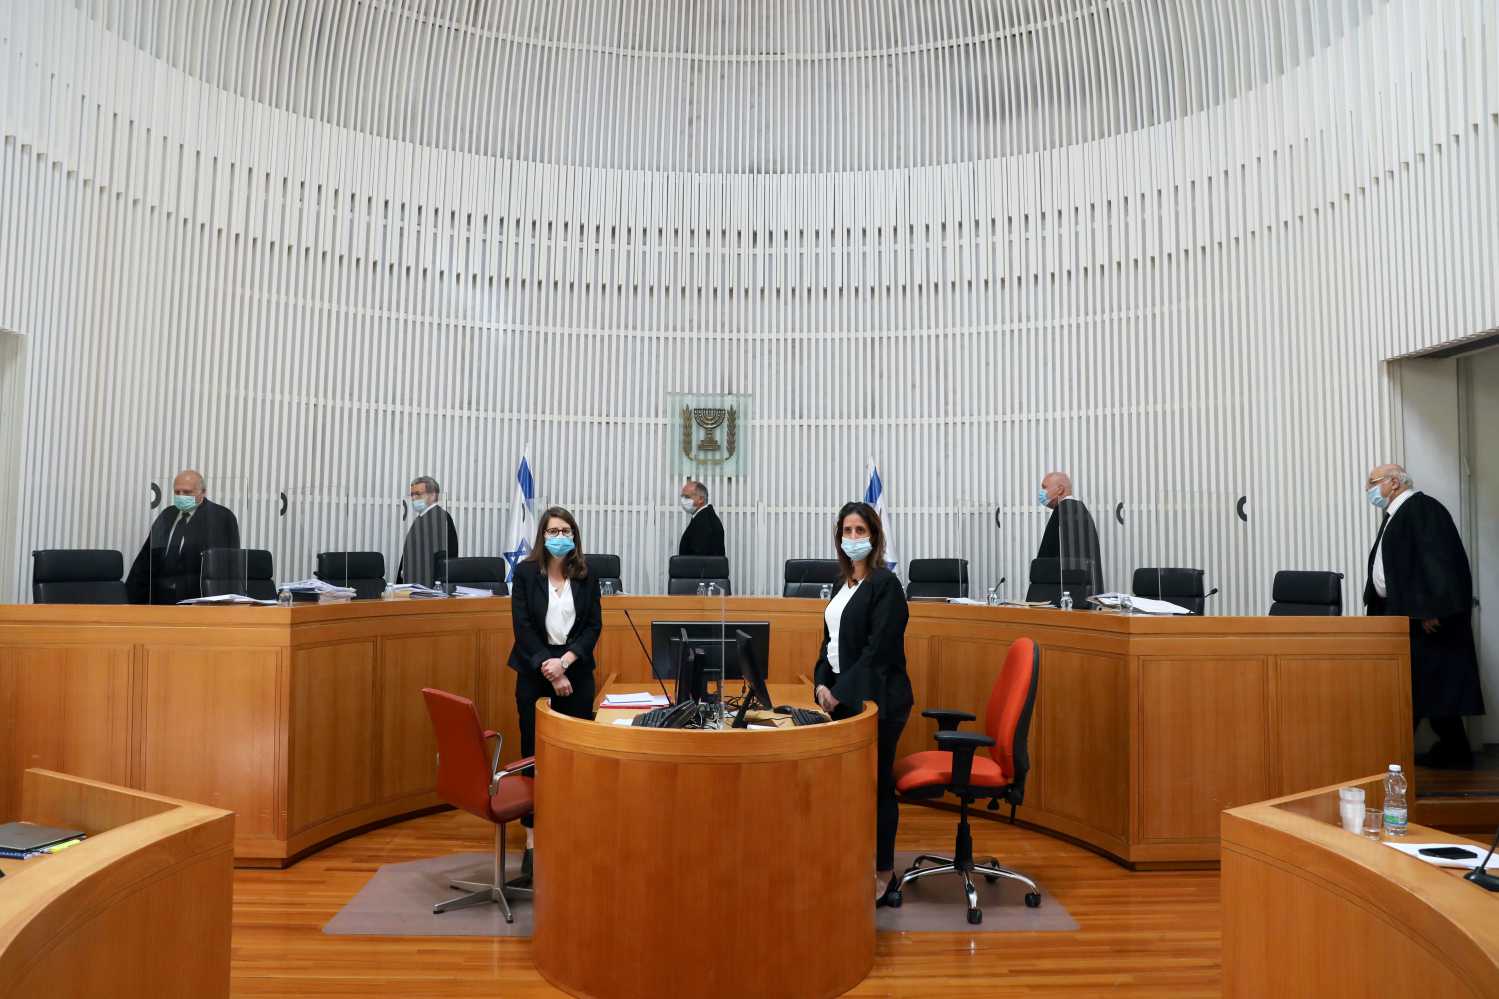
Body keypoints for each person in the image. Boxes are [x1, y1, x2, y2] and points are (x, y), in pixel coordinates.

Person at [811, 500, 913, 908]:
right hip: (846, 697)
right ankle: (857, 861)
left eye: (860, 530)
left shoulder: (885, 584)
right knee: (854, 787)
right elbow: (829, 643)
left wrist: (840, 692)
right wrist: (821, 682)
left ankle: (885, 874)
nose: (852, 537)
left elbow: (878, 651)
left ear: (873, 535)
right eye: (846, 530)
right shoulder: (843, 584)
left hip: (879, 700)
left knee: (876, 785)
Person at [1362, 464, 1483, 768]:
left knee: (1424, 687)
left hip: (1423, 619)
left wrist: (1430, 610)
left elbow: (1437, 562)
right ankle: (1451, 751)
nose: (1369, 490)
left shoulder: (1423, 509)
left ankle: (1397, 756)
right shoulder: (1399, 513)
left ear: (1393, 482)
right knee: (1424, 689)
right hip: (1404, 614)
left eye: (1372, 483)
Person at [507, 505, 602, 884]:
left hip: (576, 673)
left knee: (577, 758)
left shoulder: (585, 574)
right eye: (551, 530)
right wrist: (549, 666)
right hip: (534, 673)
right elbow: (523, 627)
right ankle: (533, 841)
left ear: (574, 535)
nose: (558, 536)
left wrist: (566, 661)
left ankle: (572, 833)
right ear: (542, 537)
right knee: (535, 757)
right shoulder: (527, 573)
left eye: (565, 530)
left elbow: (594, 625)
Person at [125, 469, 240, 604]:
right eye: (177, 492)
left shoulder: (220, 517)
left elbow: (226, 565)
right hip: (160, 601)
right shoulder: (167, 515)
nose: (181, 496)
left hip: (197, 601)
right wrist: (130, 599)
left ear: (203, 492)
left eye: (187, 492)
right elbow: (146, 559)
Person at [1034, 471, 1104, 601]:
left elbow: (1046, 558)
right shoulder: (1081, 511)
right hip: (1086, 597)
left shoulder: (1062, 513)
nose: (1042, 492)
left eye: (1045, 487)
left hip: (1064, 599)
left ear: (1060, 489)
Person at [395, 476, 459, 588]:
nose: (414, 498)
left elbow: (443, 557)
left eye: (418, 494)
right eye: (412, 495)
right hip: (415, 587)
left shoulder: (439, 518)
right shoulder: (422, 518)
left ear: (433, 495)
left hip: (428, 589)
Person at [677, 480, 725, 557]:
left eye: (687, 497)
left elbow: (699, 558)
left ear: (701, 499)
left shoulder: (704, 522)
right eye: (682, 496)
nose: (683, 501)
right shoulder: (705, 517)